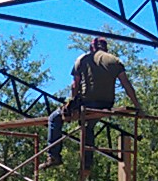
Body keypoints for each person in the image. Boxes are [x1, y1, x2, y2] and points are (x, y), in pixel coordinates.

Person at [41, 37, 141, 171]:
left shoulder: (83, 59)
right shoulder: (114, 61)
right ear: (106, 47)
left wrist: (71, 102)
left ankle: (53, 156)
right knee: (88, 127)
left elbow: (75, 85)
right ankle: (86, 165)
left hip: (86, 103)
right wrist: (137, 106)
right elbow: (126, 85)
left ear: (91, 47)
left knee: (54, 118)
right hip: (106, 104)